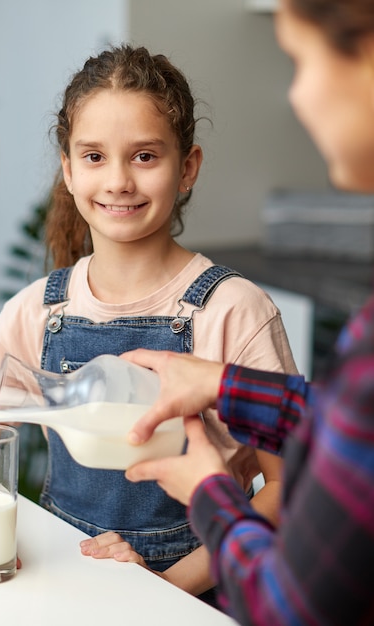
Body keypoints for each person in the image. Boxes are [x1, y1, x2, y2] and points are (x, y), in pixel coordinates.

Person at [0, 44, 297, 601]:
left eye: (145, 156)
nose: (119, 180)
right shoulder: (40, 311)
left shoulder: (233, 310)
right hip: (64, 588)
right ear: (69, 171)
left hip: (194, 596)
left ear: (187, 167)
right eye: (94, 157)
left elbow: (288, 489)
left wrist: (167, 588)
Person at [118, 2, 374, 623]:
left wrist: (209, 495)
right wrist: (225, 386)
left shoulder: (235, 304)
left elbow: (286, 605)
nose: (298, 96)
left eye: (300, 60)